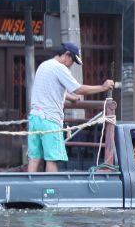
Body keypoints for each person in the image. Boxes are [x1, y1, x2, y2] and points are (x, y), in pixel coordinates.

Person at [27, 42, 114, 173]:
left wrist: (70, 97)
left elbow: (51, 90)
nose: (71, 65)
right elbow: (78, 89)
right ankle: (52, 192)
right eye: (72, 61)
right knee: (52, 159)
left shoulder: (44, 66)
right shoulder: (60, 68)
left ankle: (29, 191)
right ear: (67, 55)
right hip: (50, 120)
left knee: (34, 159)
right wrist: (102, 87)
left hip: (34, 118)